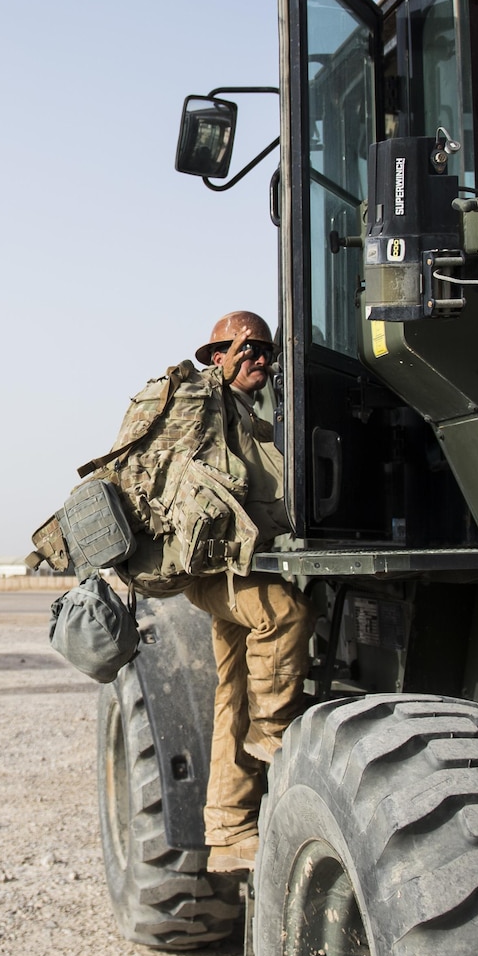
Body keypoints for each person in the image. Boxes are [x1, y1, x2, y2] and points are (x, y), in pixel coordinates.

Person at [188, 310, 313, 875]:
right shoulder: (204, 405)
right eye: (247, 350)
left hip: (234, 563)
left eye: (266, 351)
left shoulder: (248, 416)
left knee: (231, 693)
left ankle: (229, 831)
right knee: (283, 615)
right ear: (218, 358)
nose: (260, 359)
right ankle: (273, 733)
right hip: (212, 569)